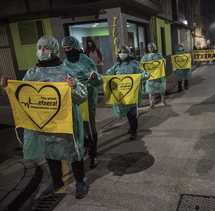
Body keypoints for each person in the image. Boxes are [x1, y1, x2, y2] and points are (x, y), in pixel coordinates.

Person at [1, 36, 88, 199]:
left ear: (54, 51)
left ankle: (79, 181)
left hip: (64, 120)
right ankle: (57, 182)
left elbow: (81, 97)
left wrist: (74, 87)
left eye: (46, 48)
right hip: (43, 122)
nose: (41, 51)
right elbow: (23, 96)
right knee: (50, 151)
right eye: (39, 47)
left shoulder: (66, 71)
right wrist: (8, 87)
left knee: (73, 151)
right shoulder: (32, 73)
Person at [61, 36, 104, 169]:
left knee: (89, 126)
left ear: (74, 47)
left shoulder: (86, 60)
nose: (67, 51)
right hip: (73, 98)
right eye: (64, 49)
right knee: (78, 125)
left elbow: (98, 80)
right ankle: (85, 145)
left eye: (68, 48)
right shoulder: (65, 62)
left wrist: (94, 77)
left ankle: (93, 154)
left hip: (87, 97)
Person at [105, 45, 149, 140]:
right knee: (127, 112)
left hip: (131, 92)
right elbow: (108, 74)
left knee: (133, 112)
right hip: (122, 93)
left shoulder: (133, 64)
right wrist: (98, 77)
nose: (122, 54)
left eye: (124, 52)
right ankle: (131, 126)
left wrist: (145, 75)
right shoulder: (117, 65)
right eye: (120, 52)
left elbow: (140, 73)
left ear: (128, 53)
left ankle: (134, 131)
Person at [141, 43, 166, 109]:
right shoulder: (145, 56)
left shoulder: (158, 55)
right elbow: (142, 65)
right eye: (149, 47)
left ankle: (163, 100)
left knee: (161, 89)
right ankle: (152, 103)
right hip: (150, 76)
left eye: (152, 47)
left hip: (158, 76)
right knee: (150, 90)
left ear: (154, 48)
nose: (150, 49)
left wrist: (163, 62)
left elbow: (162, 63)